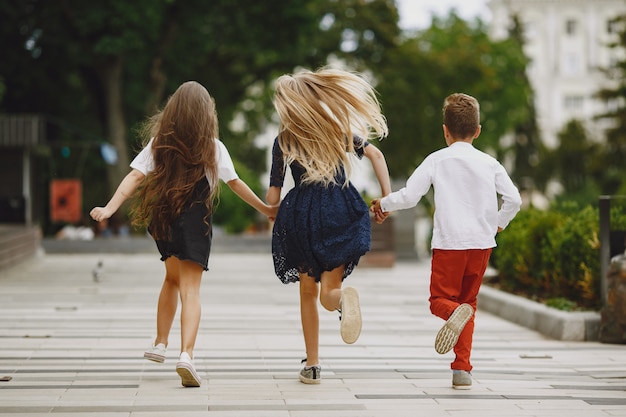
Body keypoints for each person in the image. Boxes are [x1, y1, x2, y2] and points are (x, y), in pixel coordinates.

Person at [90, 81, 277, 388]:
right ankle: (186, 355)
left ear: (173, 110)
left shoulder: (158, 143)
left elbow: (134, 176)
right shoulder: (213, 147)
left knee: (171, 279)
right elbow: (235, 183)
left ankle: (160, 342)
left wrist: (109, 208)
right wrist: (265, 209)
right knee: (190, 289)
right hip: (194, 222)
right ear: (206, 114)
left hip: (163, 219)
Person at [370, 93, 522, 390]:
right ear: (478, 131)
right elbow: (514, 199)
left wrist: (383, 205)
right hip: (481, 244)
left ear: (445, 130)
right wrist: (498, 223)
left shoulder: (437, 160)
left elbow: (411, 196)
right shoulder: (489, 163)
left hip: (449, 243)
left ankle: (454, 316)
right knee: (469, 303)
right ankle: (461, 369)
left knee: (440, 302)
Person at [266, 67, 392, 384]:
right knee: (329, 292)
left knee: (308, 293)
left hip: (303, 216)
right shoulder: (336, 131)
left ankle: (312, 364)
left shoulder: (284, 140)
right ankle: (342, 299)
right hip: (341, 207)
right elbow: (375, 154)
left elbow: (273, 194)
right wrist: (386, 198)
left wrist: (272, 212)